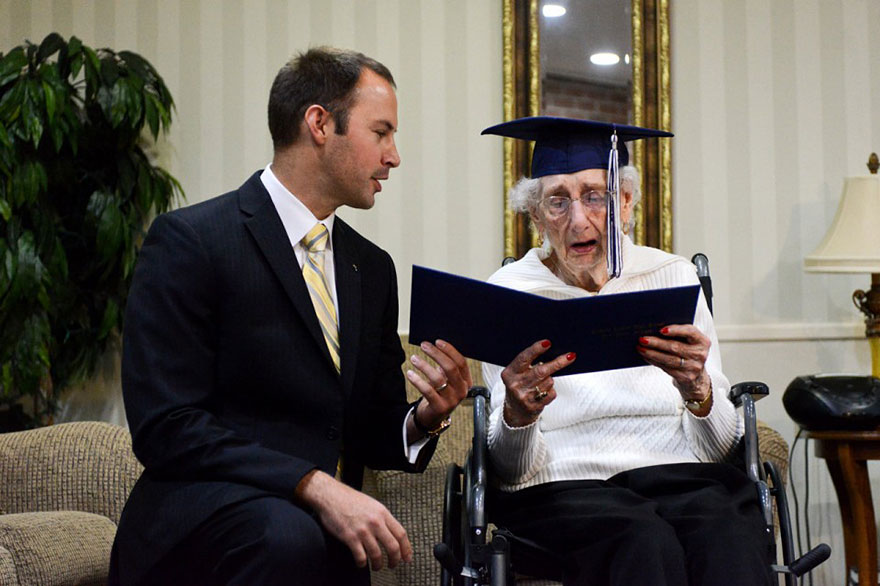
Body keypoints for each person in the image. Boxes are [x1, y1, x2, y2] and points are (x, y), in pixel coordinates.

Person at [108, 47, 471, 586]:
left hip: (311, 539)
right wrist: (315, 485)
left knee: (324, 548)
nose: (395, 156)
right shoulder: (191, 242)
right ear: (320, 124)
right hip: (202, 530)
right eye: (382, 132)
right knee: (293, 536)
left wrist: (427, 416)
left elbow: (370, 428)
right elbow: (168, 426)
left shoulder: (370, 268)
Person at [478, 117, 773, 585]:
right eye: (558, 201)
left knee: (727, 528)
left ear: (628, 201)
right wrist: (518, 415)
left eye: (596, 196)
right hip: (563, 487)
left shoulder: (673, 277)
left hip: (682, 479)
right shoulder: (506, 297)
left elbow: (719, 449)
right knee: (640, 536)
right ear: (535, 217)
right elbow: (511, 472)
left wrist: (698, 391)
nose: (579, 219)